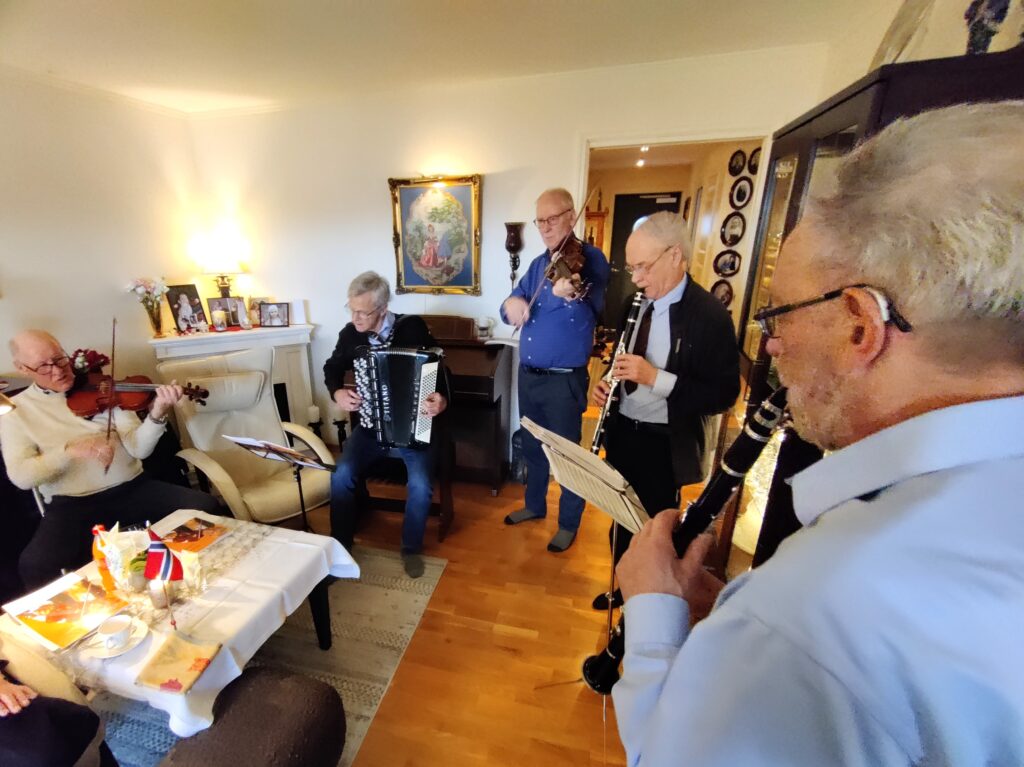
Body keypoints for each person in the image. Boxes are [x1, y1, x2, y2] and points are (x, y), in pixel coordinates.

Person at [612, 102, 1024, 765]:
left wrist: (659, 625)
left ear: (862, 325)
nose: (771, 344)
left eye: (780, 313)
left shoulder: (813, 609)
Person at [591, 211, 739, 610]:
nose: (636, 278)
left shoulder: (710, 316)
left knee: (656, 531)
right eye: (632, 268)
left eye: (643, 266)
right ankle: (623, 588)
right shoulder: (633, 304)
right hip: (625, 432)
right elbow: (621, 361)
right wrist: (607, 383)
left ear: (675, 256)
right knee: (620, 520)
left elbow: (724, 394)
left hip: (664, 444)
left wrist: (656, 378)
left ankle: (647, 606)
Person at [1, 330, 221, 590]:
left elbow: (138, 449)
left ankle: (211, 579)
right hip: (73, 505)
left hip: (134, 488)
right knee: (35, 564)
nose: (58, 371)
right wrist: (68, 451)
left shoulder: (103, 388)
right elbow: (22, 477)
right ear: (22, 369)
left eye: (60, 359)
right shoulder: (15, 413)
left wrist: (157, 414)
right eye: (43, 367)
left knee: (204, 506)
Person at [500, 188, 610, 552]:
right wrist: (511, 304)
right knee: (532, 446)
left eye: (552, 219)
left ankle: (568, 523)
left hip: (564, 381)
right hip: (529, 376)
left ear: (571, 217)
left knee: (566, 455)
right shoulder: (537, 265)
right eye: (540, 221)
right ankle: (534, 506)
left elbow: (591, 311)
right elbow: (511, 303)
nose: (545, 227)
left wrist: (568, 297)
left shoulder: (591, 260)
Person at [323, 272, 448, 578]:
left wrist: (440, 400)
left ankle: (410, 549)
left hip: (413, 428)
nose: (355, 318)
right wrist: (337, 392)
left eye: (362, 312)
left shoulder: (412, 327)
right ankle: (341, 546)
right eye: (351, 309)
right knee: (341, 475)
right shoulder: (350, 335)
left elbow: (440, 370)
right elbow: (332, 366)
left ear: (382, 309)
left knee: (420, 485)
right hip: (370, 427)